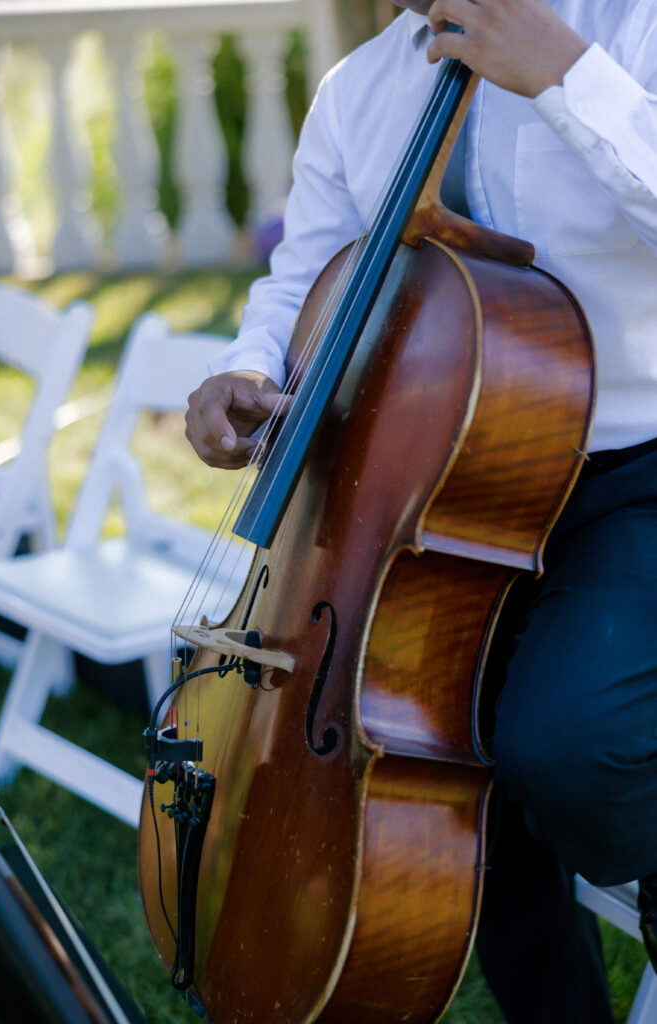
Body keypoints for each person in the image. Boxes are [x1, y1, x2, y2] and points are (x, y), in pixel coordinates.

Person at [185, 1, 657, 1020]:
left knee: (564, 749)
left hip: (636, 470)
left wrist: (569, 80)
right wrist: (245, 368)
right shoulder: (358, 88)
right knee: (434, 755)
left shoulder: (627, 28)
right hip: (439, 492)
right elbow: (300, 273)